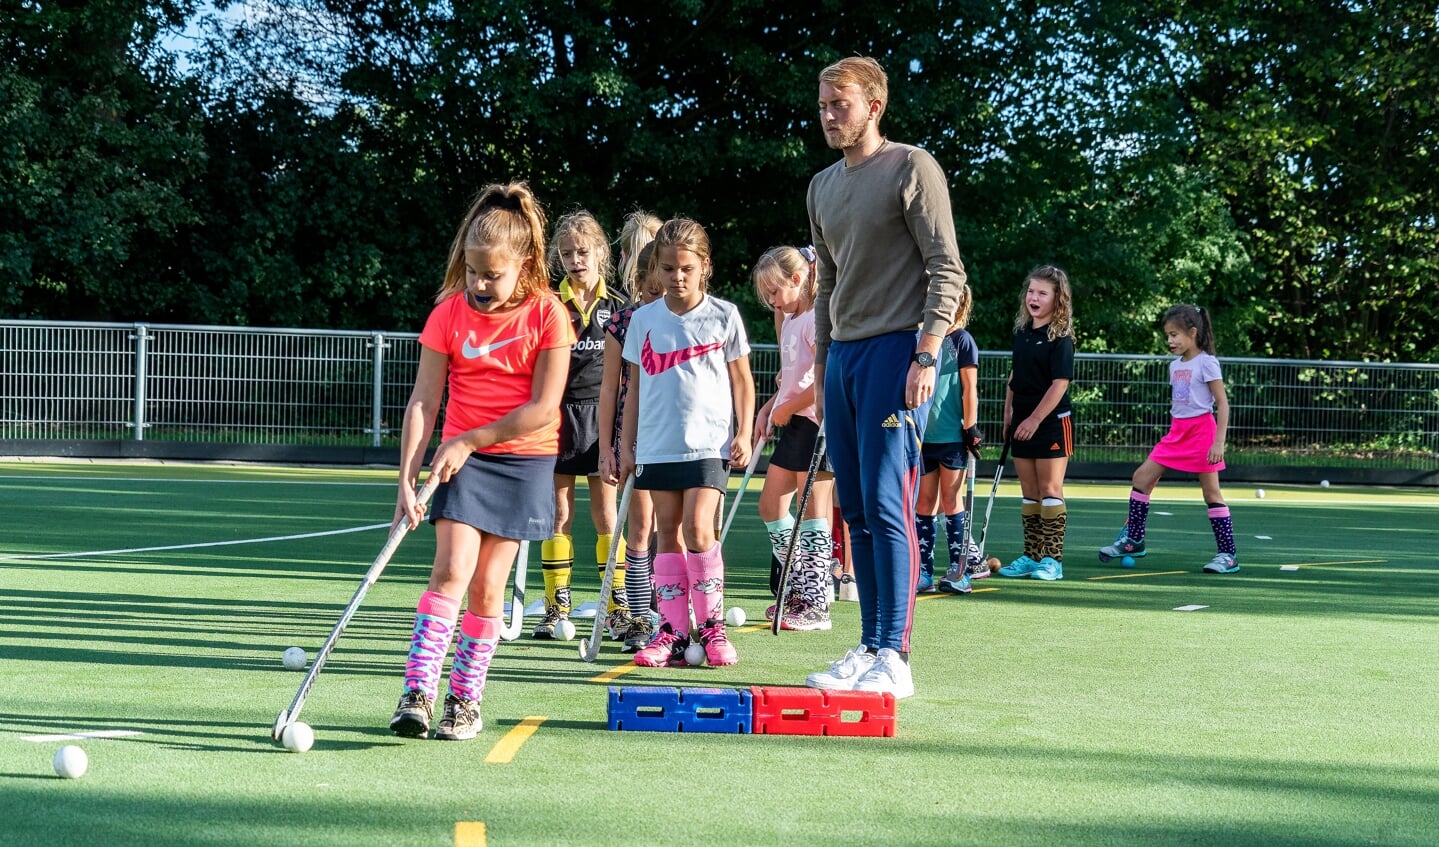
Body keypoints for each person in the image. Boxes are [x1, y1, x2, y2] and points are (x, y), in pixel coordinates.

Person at [804, 56, 968, 699]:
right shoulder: (821, 186)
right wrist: (820, 366)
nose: (828, 114)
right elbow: (827, 287)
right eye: (822, 104)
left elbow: (946, 269)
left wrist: (927, 354)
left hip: (898, 352)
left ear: (874, 106)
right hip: (843, 358)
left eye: (839, 103)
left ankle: (896, 654)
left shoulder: (911, 167)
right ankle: (871, 643)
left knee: (884, 499)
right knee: (854, 508)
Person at [389, 182, 573, 740]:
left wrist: (470, 439)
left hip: (522, 461)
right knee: (449, 571)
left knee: (490, 589)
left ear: (527, 264)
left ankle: (465, 701)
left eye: (492, 275)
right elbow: (424, 400)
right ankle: (418, 692)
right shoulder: (447, 314)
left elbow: (544, 409)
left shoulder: (549, 315)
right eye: (472, 272)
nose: (480, 285)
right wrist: (406, 478)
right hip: (460, 461)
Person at [619, 217, 754, 668]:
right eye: (668, 268)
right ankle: (674, 631)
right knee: (666, 535)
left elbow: (743, 381)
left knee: (699, 528)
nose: (677, 277)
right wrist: (625, 443)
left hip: (708, 444)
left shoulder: (724, 316)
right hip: (658, 445)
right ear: (656, 268)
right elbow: (634, 388)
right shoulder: (642, 321)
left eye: (686, 269)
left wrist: (744, 431)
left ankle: (711, 627)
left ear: (705, 267)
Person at [538, 211, 632, 640]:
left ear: (600, 252)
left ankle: (616, 606)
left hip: (602, 416)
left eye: (583, 251)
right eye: (567, 252)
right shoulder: (548, 303)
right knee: (557, 514)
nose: (576, 259)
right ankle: (557, 607)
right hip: (557, 415)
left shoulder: (617, 306)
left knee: (606, 516)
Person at [1099, 304, 1240, 573]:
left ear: (1193, 333)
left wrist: (1218, 442)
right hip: (1177, 433)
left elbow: (1222, 403)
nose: (1170, 341)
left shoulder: (1207, 362)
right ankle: (1134, 540)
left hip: (1203, 433)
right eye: (1168, 335)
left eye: (1175, 335)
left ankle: (1228, 555)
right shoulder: (1174, 366)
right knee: (1141, 478)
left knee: (1211, 493)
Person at [751, 245, 834, 632]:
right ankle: (799, 584)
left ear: (798, 280)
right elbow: (792, 377)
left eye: (774, 291)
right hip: (795, 423)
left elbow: (825, 381)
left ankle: (817, 602)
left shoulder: (817, 319)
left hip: (818, 424)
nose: (771, 300)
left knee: (813, 510)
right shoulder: (789, 319)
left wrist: (788, 408)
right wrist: (771, 407)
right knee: (770, 506)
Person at [598, 240, 664, 651]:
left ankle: (675, 615)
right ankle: (640, 618)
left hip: (678, 437)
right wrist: (608, 447)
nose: (661, 299)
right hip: (634, 436)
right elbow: (609, 389)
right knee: (638, 529)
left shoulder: (690, 319)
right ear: (638, 285)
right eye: (653, 291)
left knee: (676, 532)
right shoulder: (622, 323)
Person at [997, 266, 1075, 581]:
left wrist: (1033, 419)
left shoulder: (1062, 338)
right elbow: (1015, 377)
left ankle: (1052, 561)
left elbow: (1060, 384)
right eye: (1031, 291)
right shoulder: (1022, 332)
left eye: (1042, 292)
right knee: (1029, 491)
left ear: (1057, 299)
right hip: (1023, 421)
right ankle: (1032, 555)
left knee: (1049, 489)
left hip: (1051, 422)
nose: (1034, 297)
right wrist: (1009, 414)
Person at [915, 290, 985, 595]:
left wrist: (971, 428)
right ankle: (923, 572)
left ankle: (960, 570)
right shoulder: (920, 338)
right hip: (922, 438)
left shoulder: (962, 341)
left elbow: (970, 389)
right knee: (923, 504)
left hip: (952, 438)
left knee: (952, 502)